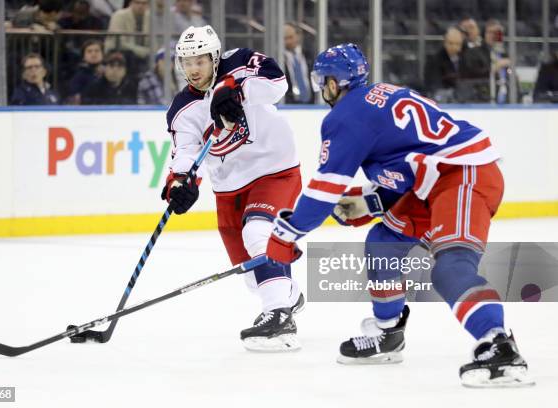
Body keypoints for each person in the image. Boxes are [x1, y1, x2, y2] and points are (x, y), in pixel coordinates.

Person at [265, 43, 532, 387]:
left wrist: (285, 234)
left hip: (463, 175)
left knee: (451, 267)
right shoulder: (377, 99)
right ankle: (387, 333)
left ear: (334, 82)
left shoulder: (346, 115)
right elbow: (408, 161)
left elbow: (321, 192)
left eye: (323, 80)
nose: (322, 89)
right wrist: (372, 203)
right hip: (432, 181)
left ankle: (500, 346)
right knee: (383, 242)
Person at [162, 25, 304, 351]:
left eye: (200, 60)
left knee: (258, 234)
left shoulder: (239, 63)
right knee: (252, 275)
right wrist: (179, 184)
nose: (193, 69)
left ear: (214, 57)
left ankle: (279, 317)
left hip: (274, 169)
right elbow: (184, 153)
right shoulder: (182, 108)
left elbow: (277, 83)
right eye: (186, 62)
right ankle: (288, 296)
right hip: (229, 187)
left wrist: (236, 90)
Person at [105, 0, 150, 74]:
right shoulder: (119, 15)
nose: (140, 6)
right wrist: (142, 51)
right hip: (118, 49)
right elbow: (119, 42)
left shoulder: (150, 17)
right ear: (130, 3)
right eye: (137, 3)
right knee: (130, 56)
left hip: (144, 52)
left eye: (144, 3)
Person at [424, 27, 464, 100]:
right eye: (451, 43)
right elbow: (435, 86)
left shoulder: (465, 58)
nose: (454, 47)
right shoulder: (435, 60)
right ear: (445, 43)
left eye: (457, 44)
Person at [66, 39, 105, 104]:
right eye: (89, 51)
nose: (93, 53)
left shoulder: (109, 72)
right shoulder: (78, 76)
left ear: (103, 54)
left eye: (97, 51)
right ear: (83, 57)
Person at [283, 22, 313, 104]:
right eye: (285, 38)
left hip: (312, 103)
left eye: (290, 37)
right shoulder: (278, 59)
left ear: (298, 36)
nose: (288, 41)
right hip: (288, 105)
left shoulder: (309, 55)